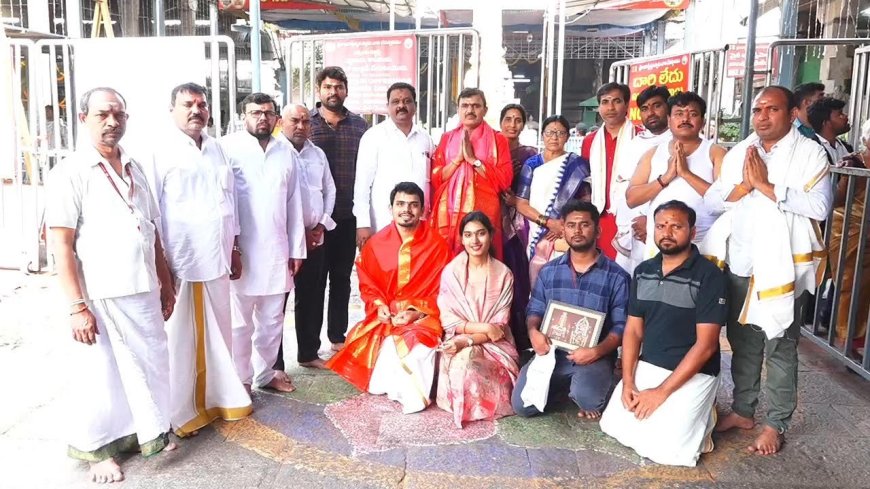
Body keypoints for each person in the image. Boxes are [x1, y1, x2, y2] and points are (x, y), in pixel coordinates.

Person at [45, 87, 176, 483]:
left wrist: (166, 282)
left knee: (150, 364)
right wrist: (76, 306)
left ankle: (142, 431)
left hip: (143, 288)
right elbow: (61, 243)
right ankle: (97, 450)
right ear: (83, 118)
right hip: (100, 294)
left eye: (119, 114)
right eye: (102, 114)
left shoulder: (134, 167)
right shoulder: (70, 172)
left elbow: (151, 231)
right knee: (101, 375)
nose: (112, 122)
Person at [704, 86, 832, 455]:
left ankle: (776, 422)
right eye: (757, 109)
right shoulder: (741, 151)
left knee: (780, 344)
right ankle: (744, 410)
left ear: (792, 113)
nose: (761, 116)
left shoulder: (809, 153)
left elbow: (820, 207)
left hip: (782, 267)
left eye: (771, 109)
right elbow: (714, 201)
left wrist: (767, 186)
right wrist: (746, 185)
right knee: (742, 342)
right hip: (742, 260)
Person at [145, 82, 252, 437]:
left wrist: (234, 247)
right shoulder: (159, 151)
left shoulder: (216, 147)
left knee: (221, 331)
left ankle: (220, 398)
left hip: (218, 256)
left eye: (201, 104)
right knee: (183, 338)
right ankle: (182, 410)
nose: (196, 110)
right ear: (172, 110)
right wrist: (161, 263)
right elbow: (152, 212)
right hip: (183, 261)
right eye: (187, 104)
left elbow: (230, 201)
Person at [599, 200, 727, 467]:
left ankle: (706, 415)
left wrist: (660, 392)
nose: (667, 233)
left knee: (669, 453)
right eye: (660, 226)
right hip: (651, 364)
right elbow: (633, 331)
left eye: (676, 226)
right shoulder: (644, 271)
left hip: (693, 371)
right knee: (613, 427)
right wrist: (629, 381)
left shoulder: (709, 276)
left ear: (692, 233)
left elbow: (706, 346)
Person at [326, 182, 450, 413]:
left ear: (423, 210)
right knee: (363, 350)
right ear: (390, 208)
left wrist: (416, 312)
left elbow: (445, 290)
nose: (407, 210)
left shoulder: (437, 245)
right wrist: (379, 305)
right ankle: (396, 386)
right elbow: (368, 284)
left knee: (413, 347)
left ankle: (413, 396)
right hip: (387, 317)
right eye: (401, 204)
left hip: (424, 316)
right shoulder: (375, 244)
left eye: (414, 205)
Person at [511, 200, 630, 420]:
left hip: (593, 356)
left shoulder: (617, 276)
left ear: (598, 230)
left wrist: (598, 351)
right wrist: (534, 333)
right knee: (522, 407)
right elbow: (534, 309)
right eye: (571, 225)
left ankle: (584, 385)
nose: (577, 230)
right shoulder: (548, 271)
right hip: (552, 354)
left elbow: (622, 326)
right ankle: (560, 387)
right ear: (563, 230)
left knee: (589, 400)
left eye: (584, 224)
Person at [221, 93, 306, 394]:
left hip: (277, 250)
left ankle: (265, 373)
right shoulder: (227, 148)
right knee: (239, 323)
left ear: (276, 118)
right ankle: (240, 380)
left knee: (272, 320)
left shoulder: (286, 152)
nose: (263, 118)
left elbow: (296, 202)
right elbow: (223, 202)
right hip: (240, 251)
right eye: (256, 112)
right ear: (244, 116)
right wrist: (230, 247)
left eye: (269, 113)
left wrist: (297, 249)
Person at [436, 211, 519, 428]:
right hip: (458, 338)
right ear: (461, 239)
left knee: (473, 367)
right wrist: (480, 329)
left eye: (481, 234)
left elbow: (499, 328)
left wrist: (470, 340)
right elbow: (449, 322)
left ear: (491, 236)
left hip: (495, 344)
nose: (475, 241)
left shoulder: (504, 274)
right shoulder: (451, 272)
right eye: (468, 235)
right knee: (462, 365)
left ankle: (484, 406)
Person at [307, 66, 368, 352]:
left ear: (346, 90)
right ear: (319, 90)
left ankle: (337, 336)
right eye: (328, 87)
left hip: (347, 216)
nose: (333, 92)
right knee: (314, 282)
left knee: (342, 279)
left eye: (339, 87)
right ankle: (310, 341)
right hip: (315, 219)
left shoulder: (359, 126)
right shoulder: (305, 123)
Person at [626, 91, 726, 259]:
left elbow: (725, 199)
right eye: (679, 114)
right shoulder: (653, 154)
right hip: (660, 246)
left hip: (704, 246)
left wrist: (686, 174)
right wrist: (665, 178)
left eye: (693, 114)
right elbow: (631, 199)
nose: (685, 119)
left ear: (702, 121)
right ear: (669, 119)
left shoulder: (716, 153)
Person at [278, 103, 336, 369]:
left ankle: (308, 353)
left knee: (312, 297)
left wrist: (320, 226)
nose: (300, 126)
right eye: (294, 121)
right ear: (281, 122)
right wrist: (298, 232)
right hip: (284, 241)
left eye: (305, 121)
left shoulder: (318, 154)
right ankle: (273, 363)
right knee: (276, 302)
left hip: (315, 239)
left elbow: (329, 191)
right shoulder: (275, 153)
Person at [431, 88, 514, 259]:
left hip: (484, 212)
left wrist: (473, 160)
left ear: (485, 109)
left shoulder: (498, 140)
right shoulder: (447, 138)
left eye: (476, 106)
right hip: (447, 212)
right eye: (465, 106)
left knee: (484, 261)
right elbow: (436, 178)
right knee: (448, 263)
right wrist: (457, 160)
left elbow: (504, 180)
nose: (470, 110)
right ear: (458, 110)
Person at [514, 115, 591, 286]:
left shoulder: (577, 165)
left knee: (565, 279)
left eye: (560, 133)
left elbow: (585, 202)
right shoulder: (532, 164)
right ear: (542, 135)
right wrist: (549, 223)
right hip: (536, 231)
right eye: (550, 132)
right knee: (537, 281)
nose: (554, 137)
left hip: (567, 231)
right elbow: (521, 203)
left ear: (567, 137)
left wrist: (563, 224)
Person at [354, 82, 434, 241]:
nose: (401, 106)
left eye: (407, 101)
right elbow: (362, 185)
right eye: (396, 102)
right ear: (388, 106)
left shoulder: (425, 138)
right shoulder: (373, 137)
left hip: (419, 222)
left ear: (415, 106)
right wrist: (363, 223)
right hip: (383, 222)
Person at [612, 85, 672, 275]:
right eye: (645, 109)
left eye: (657, 106)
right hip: (631, 228)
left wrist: (649, 221)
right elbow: (623, 187)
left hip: (663, 227)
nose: (651, 113)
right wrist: (634, 222)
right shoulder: (634, 144)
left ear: (668, 108)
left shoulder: (679, 142)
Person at [827, 119, 870, 358]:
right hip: (848, 230)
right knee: (848, 283)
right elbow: (837, 199)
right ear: (866, 139)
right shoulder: (854, 162)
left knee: (864, 288)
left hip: (866, 230)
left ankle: (858, 338)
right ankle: (845, 339)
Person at [581, 82, 637, 259]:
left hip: (631, 217)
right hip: (599, 216)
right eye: (605, 102)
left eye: (617, 101)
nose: (610, 107)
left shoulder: (640, 137)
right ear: (599, 107)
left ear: (627, 105)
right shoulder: (590, 141)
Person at [499, 103, 538, 350]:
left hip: (521, 223)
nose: (513, 124)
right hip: (495, 219)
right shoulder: (490, 150)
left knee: (520, 274)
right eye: (508, 119)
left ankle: (521, 335)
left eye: (518, 120)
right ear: (501, 121)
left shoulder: (531, 155)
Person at [807, 96, 853, 165]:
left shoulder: (847, 148)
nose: (845, 117)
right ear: (826, 122)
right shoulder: (812, 149)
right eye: (840, 114)